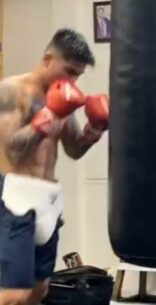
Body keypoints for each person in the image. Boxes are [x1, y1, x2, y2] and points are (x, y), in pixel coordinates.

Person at [0, 28, 109, 305]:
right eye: (69, 72)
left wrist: (92, 131)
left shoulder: (63, 99)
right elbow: (12, 148)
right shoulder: (12, 91)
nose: (73, 81)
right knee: (13, 294)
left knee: (40, 290)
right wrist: (47, 116)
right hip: (16, 200)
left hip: (48, 201)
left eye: (78, 76)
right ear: (48, 58)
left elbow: (73, 150)